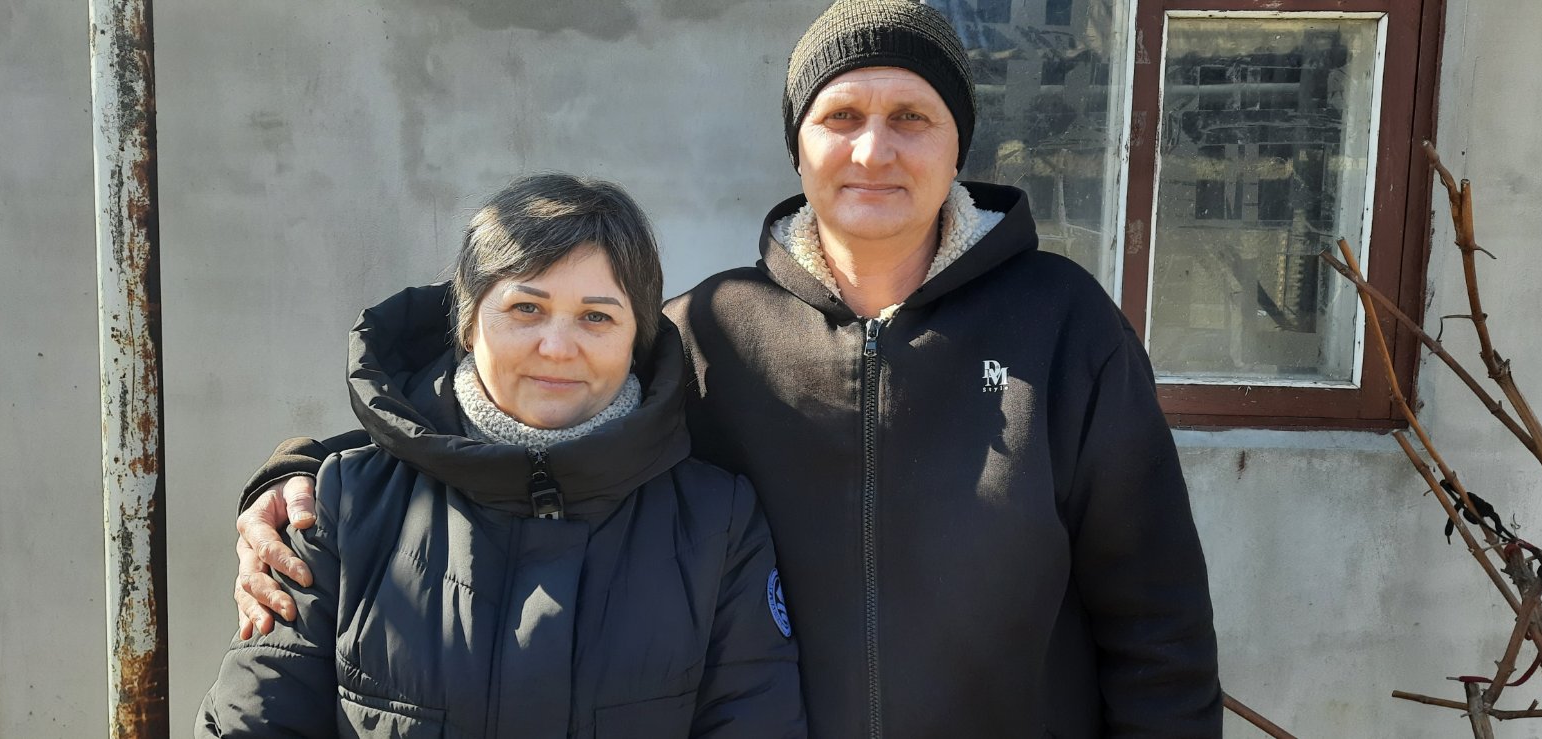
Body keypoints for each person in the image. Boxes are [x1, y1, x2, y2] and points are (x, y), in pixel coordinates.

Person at [232, 2, 1222, 736]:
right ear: (798, 144)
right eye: (841, 116)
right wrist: (296, 479)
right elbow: (534, 425)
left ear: (958, 138)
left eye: (911, 117)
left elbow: (1158, 627)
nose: (873, 149)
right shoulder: (712, 329)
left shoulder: (1064, 327)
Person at [197, 174, 805, 737]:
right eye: (526, 309)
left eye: (597, 316)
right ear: (467, 323)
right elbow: (256, 719)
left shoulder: (716, 521)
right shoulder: (337, 504)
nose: (558, 346)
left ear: (636, 338)